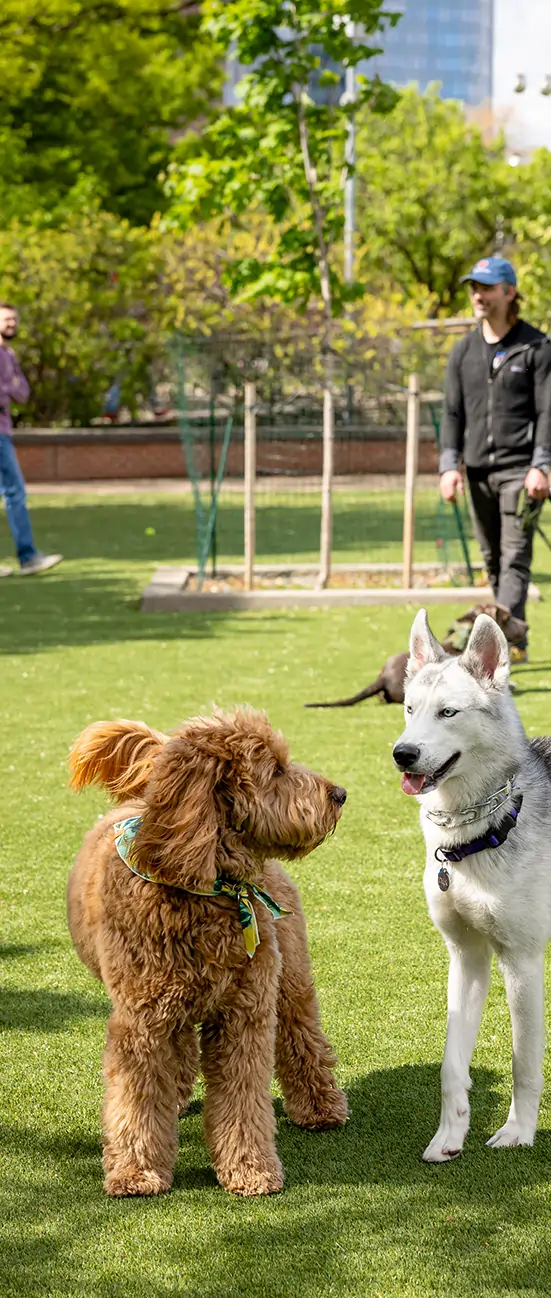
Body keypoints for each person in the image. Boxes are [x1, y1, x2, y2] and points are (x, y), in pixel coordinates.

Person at [439, 256, 551, 662]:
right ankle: (511, 638)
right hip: (477, 471)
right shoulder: (463, 352)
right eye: (474, 287)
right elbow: (452, 414)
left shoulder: (536, 348)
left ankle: (503, 651)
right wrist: (449, 465)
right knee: (492, 560)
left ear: (509, 292)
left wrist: (542, 463)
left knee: (514, 557)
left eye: (486, 287)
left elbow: (547, 413)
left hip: (522, 473)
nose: (477, 295)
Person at [0, 303, 63, 576]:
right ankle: (28, 557)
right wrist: (8, 387)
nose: (11, 324)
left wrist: (8, 387)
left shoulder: (8, 355)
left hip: (4, 429)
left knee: (13, 492)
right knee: (15, 492)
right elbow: (12, 389)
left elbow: (23, 393)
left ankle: (28, 556)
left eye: (14, 319)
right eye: (6, 319)